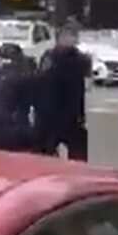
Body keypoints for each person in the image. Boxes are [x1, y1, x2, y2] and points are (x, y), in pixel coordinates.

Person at [35, 20, 91, 161]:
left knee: (79, 152)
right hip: (49, 116)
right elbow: (41, 82)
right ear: (58, 38)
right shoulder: (49, 57)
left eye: (73, 36)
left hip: (72, 115)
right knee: (44, 154)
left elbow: (83, 87)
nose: (70, 39)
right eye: (67, 35)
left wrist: (81, 115)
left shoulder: (81, 59)